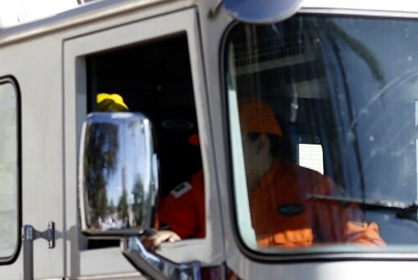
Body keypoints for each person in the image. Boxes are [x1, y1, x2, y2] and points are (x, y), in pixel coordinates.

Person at [150, 98, 384, 249]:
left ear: (261, 144)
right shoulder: (201, 186)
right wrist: (169, 241)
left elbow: (366, 243)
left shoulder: (312, 186)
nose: (212, 154)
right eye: (210, 146)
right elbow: (161, 234)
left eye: (224, 144)